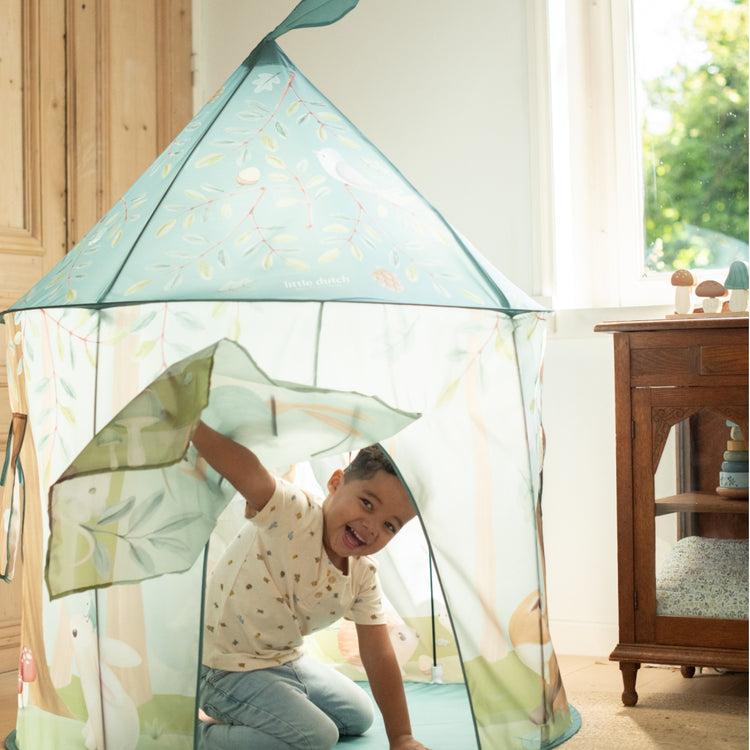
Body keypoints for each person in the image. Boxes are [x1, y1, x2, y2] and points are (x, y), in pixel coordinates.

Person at [192, 420, 430, 750]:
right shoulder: (293, 513)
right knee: (316, 737)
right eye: (367, 503)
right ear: (335, 482)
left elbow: (378, 654)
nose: (371, 526)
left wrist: (401, 736)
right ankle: (197, 737)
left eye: (389, 524)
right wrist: (193, 428)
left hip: (284, 660)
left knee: (360, 716)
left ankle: (258, 712)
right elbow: (247, 472)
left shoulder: (362, 575)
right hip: (223, 666)